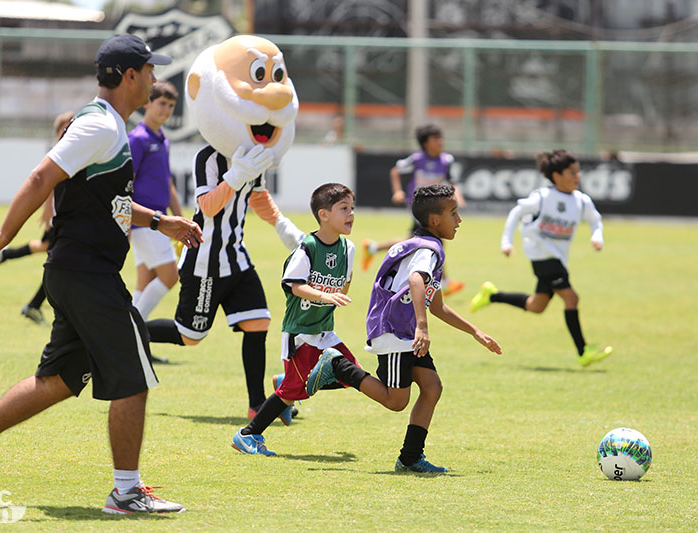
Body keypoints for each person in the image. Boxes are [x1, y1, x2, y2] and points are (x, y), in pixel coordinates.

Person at [0, 34, 202, 515]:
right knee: (134, 375)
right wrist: (2, 237)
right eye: (150, 72)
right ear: (129, 77)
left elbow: (112, 202)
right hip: (85, 272)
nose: (156, 80)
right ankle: (125, 491)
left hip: (78, 271)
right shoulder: (100, 125)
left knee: (58, 379)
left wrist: (162, 221)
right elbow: (42, 177)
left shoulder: (109, 127)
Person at [145, 35, 305, 419]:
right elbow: (207, 206)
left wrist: (284, 226)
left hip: (237, 257)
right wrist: (234, 176)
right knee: (190, 336)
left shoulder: (250, 151)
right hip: (204, 260)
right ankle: (129, 327)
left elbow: (257, 196)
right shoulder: (209, 157)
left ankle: (256, 406)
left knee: (259, 323)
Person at [304, 184, 502, 473]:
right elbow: (416, 282)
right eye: (454, 213)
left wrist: (475, 332)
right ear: (435, 220)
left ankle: (410, 457)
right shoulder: (429, 249)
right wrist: (422, 328)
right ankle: (338, 365)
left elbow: (438, 306)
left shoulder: (422, 244)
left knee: (432, 387)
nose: (459, 220)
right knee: (396, 401)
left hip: (405, 331)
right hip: (395, 331)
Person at [231, 183, 357, 455]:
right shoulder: (307, 248)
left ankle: (284, 381)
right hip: (299, 333)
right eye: (344, 209)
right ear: (323, 215)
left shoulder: (348, 249)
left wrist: (336, 294)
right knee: (292, 391)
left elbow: (344, 285)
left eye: (352, 208)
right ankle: (247, 435)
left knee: (350, 376)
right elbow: (295, 285)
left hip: (325, 332)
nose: (351, 214)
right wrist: (325, 296)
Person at [469, 149, 612, 367]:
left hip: (558, 259)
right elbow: (516, 212)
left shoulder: (581, 201)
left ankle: (492, 295)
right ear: (556, 176)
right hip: (542, 256)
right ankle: (583, 351)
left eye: (578, 172)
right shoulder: (543, 197)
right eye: (572, 172)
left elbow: (596, 221)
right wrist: (506, 242)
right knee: (571, 299)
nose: (577, 176)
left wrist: (597, 236)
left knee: (537, 306)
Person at [0, 111, 75, 324]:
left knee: (48, 250)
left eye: (70, 125)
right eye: (63, 127)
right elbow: (46, 182)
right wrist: (47, 208)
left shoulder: (74, 148)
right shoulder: (59, 151)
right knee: (60, 260)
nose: (67, 129)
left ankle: (7, 256)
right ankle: (34, 305)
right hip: (59, 215)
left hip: (65, 214)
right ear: (56, 133)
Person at [361, 124, 465, 297]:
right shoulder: (417, 159)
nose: (441, 141)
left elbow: (451, 180)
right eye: (436, 139)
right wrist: (397, 191)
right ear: (425, 143)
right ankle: (443, 282)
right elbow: (395, 170)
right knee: (433, 238)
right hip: (419, 205)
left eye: (441, 138)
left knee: (415, 240)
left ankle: (373, 247)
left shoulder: (446, 160)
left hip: (434, 206)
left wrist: (458, 196)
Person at [128, 81, 182, 322]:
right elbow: (126, 183)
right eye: (161, 103)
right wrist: (125, 221)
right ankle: (132, 332)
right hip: (144, 221)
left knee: (146, 280)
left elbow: (168, 183)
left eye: (171, 105)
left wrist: (180, 218)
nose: (166, 110)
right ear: (147, 103)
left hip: (158, 220)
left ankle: (127, 333)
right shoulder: (137, 139)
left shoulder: (163, 141)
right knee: (170, 276)